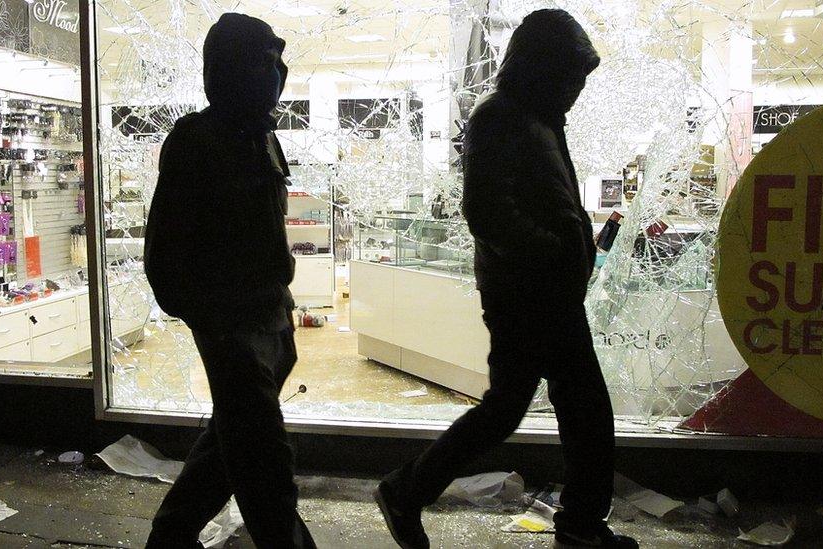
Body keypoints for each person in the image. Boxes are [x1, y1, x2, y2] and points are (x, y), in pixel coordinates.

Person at [374, 10, 638, 549]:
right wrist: (554, 252)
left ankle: (412, 490)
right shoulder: (501, 117)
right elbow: (488, 212)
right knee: (558, 408)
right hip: (528, 294)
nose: (576, 91)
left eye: (580, 81)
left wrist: (567, 251)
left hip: (545, 292)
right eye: (569, 78)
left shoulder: (536, 118)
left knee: (532, 407)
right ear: (539, 68)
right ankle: (576, 522)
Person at [142, 13, 315, 549]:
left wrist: (282, 305)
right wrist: (209, 318)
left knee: (230, 443)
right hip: (231, 325)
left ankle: (169, 537)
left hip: (268, 318)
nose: (279, 72)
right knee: (264, 459)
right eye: (268, 60)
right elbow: (164, 251)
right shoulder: (198, 138)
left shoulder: (263, 137)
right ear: (234, 68)